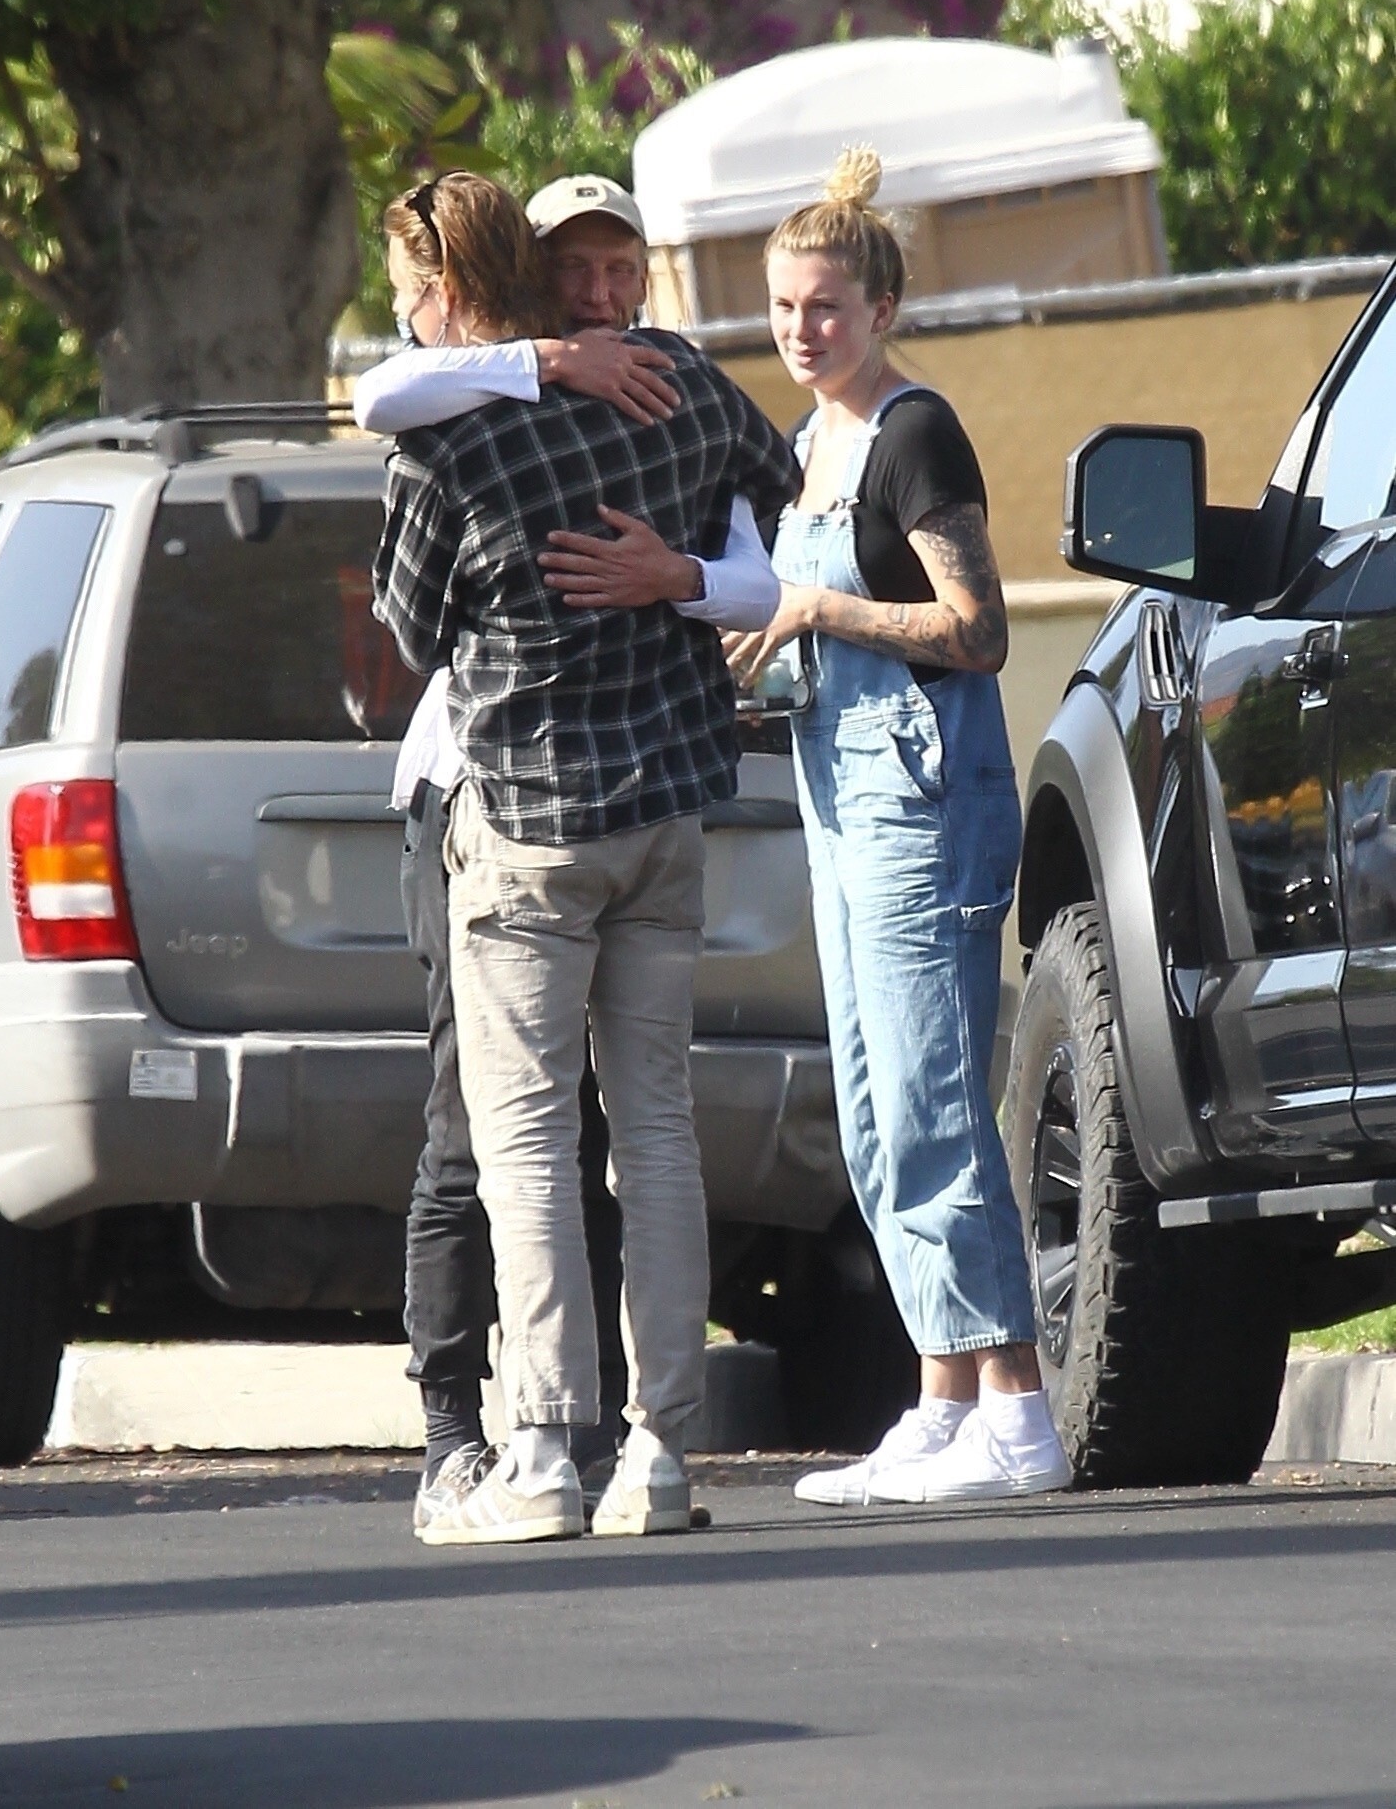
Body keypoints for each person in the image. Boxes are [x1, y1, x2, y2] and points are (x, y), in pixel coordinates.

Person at [372, 171, 800, 1546]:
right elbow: (784, 483)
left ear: (448, 290)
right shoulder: (684, 387)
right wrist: (684, 570)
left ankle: (546, 1450)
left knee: (525, 1144)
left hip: (528, 822)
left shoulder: (451, 435)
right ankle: (660, 1452)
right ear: (546, 275)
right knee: (656, 1129)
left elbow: (410, 628)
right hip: (667, 810)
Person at [724, 148, 1072, 1507]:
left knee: (936, 1102)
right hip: (834, 795)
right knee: (871, 1116)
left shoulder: (914, 433)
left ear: (880, 308)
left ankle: (1018, 1410)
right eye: (782, 306)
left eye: (825, 306)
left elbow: (975, 632)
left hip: (922, 800)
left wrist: (820, 610)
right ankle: (940, 1402)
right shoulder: (803, 444)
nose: (801, 329)